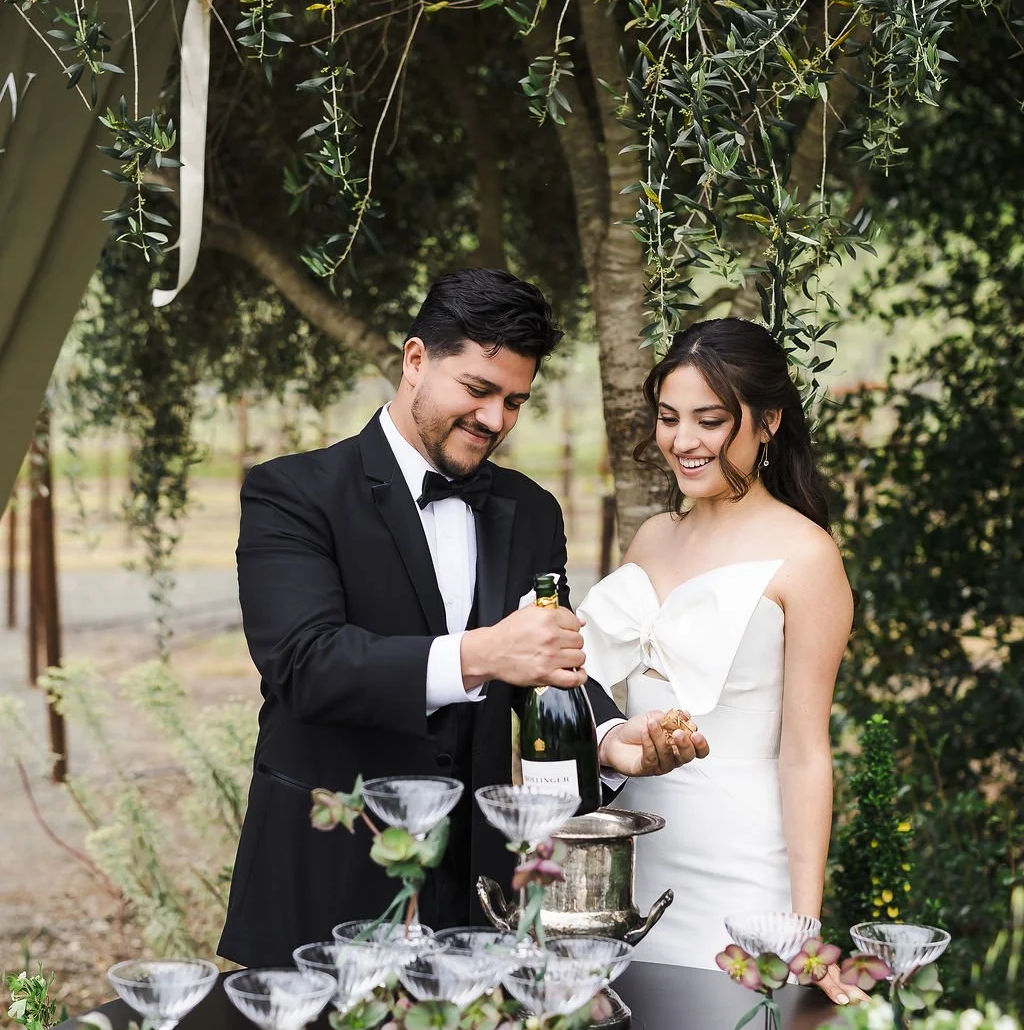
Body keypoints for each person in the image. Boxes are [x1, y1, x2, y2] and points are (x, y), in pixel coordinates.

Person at [218, 269, 707, 969]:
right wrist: (481, 653)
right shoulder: (292, 493)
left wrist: (607, 736)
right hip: (324, 882)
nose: (495, 420)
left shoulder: (531, 511)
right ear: (415, 360)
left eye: (514, 401)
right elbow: (306, 663)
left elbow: (541, 654)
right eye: (477, 391)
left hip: (476, 898)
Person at [577, 318, 856, 1003]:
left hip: (740, 858)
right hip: (637, 852)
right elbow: (601, 701)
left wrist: (807, 928)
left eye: (709, 420)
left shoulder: (807, 556)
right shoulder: (650, 537)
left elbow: (805, 754)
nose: (683, 441)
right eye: (670, 418)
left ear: (767, 422)